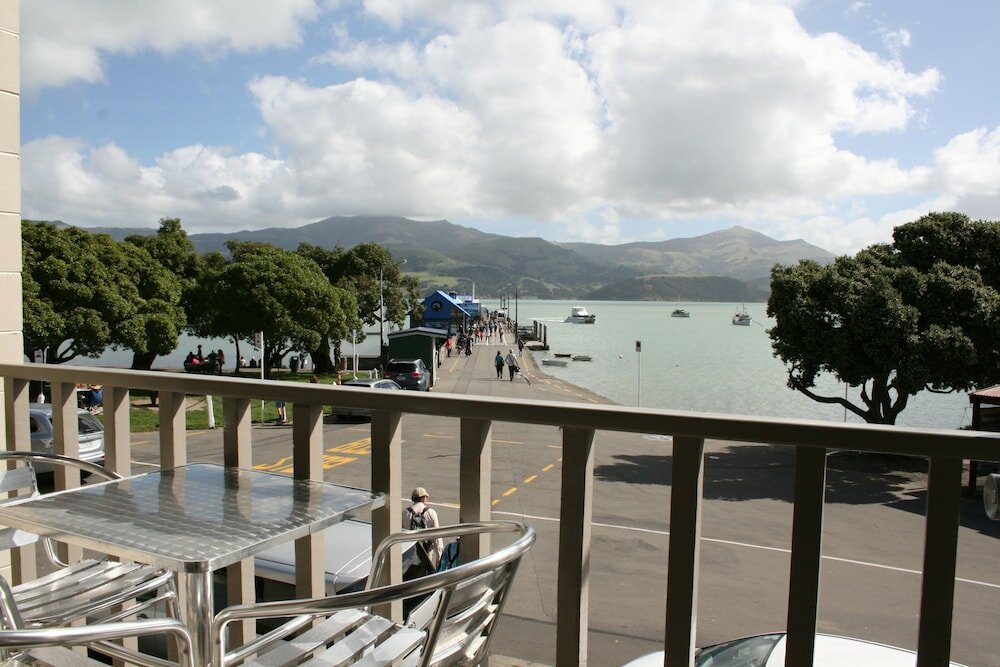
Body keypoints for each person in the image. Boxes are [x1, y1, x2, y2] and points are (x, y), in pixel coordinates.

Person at [403, 487, 443, 571]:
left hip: (410, 554)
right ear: (423, 498)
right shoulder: (430, 512)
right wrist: (439, 557)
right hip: (426, 552)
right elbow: (437, 537)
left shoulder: (405, 513)